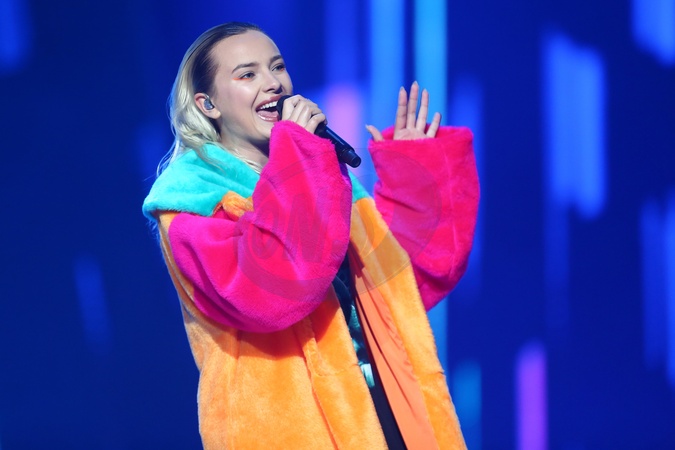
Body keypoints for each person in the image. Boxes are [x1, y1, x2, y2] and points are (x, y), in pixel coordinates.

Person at [142, 21, 479, 450]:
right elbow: (275, 288)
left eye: (277, 67)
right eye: (247, 74)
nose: (273, 83)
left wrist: (415, 177)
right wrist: (300, 157)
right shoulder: (194, 203)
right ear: (208, 104)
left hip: (383, 410)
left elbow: (399, 285)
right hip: (288, 428)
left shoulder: (318, 176)